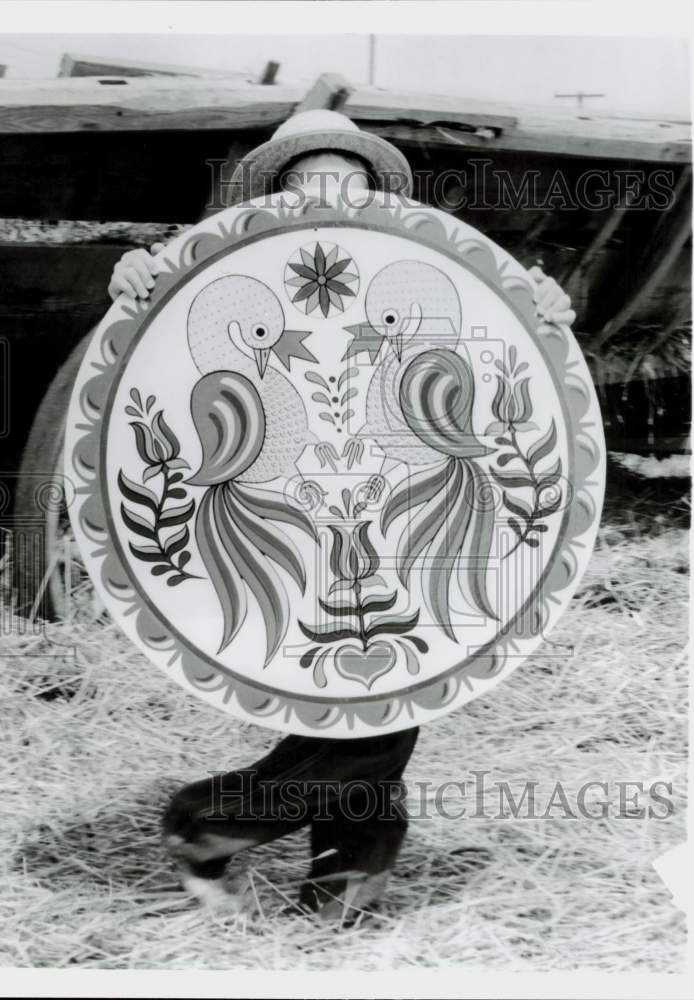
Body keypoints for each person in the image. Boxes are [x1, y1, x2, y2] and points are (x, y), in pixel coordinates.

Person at [106, 110, 575, 920]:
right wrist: (130, 285)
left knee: (396, 689)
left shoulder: (418, 277)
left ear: (373, 192)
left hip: (396, 515)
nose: (331, 194)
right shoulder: (224, 277)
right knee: (383, 702)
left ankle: (343, 879)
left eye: (349, 180)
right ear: (279, 193)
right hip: (301, 521)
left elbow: (488, 353)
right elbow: (164, 364)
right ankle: (214, 823)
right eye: (308, 180)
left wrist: (538, 314)